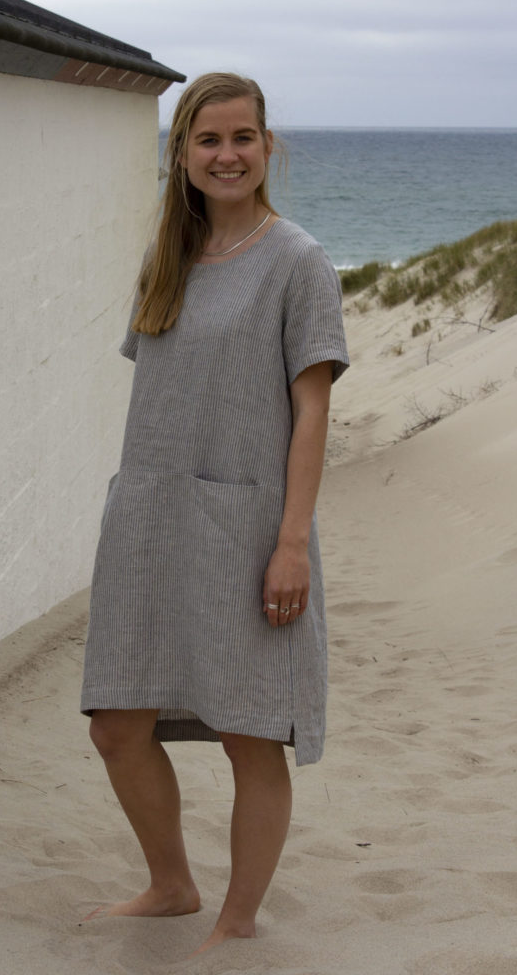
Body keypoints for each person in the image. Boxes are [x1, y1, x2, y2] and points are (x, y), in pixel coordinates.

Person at [80, 72, 349, 953]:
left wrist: (291, 545)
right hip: (151, 522)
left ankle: (237, 921)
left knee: (247, 730)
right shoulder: (168, 259)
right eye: (207, 140)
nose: (226, 154)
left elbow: (312, 409)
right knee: (119, 725)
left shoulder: (297, 261)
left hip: (246, 529)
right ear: (183, 155)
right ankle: (171, 884)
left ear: (270, 147)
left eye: (242, 137)